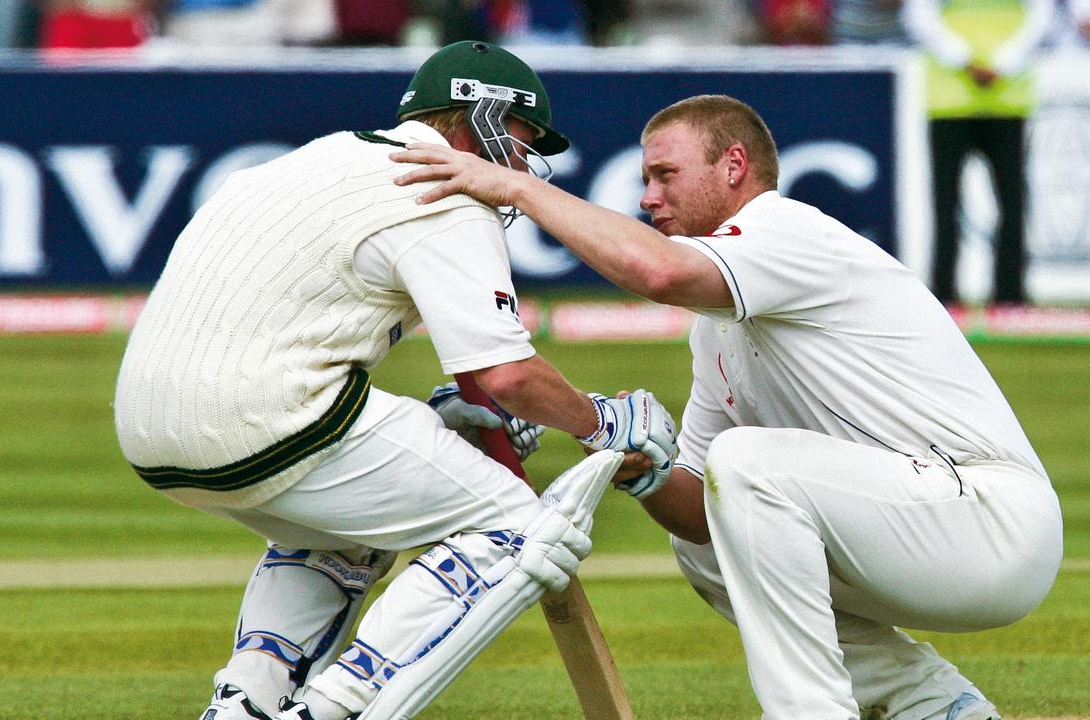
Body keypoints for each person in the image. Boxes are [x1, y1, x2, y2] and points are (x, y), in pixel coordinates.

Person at [392, 93, 1063, 719]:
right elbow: (702, 512)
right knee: (709, 539)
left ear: (734, 165)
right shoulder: (713, 326)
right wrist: (641, 466)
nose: (648, 198)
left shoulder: (787, 227)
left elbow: (659, 271)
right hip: (915, 532)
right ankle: (931, 705)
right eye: (645, 179)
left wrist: (515, 184)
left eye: (664, 175)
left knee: (747, 464)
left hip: (991, 524)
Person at [112, 40, 677, 720]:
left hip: (149, 431)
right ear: (486, 122)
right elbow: (507, 373)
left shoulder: (309, 160)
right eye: (524, 141)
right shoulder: (442, 189)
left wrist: (455, 415)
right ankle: (335, 705)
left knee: (345, 530)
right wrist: (604, 423)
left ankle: (246, 701)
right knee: (519, 530)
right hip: (270, 418)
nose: (526, 165)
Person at [903, 0, 1056, 305]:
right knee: (949, 207)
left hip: (997, 102)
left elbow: (1043, 17)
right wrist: (983, 62)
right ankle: (946, 294)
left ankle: (1009, 296)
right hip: (956, 102)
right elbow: (919, 16)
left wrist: (989, 63)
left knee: (1011, 205)